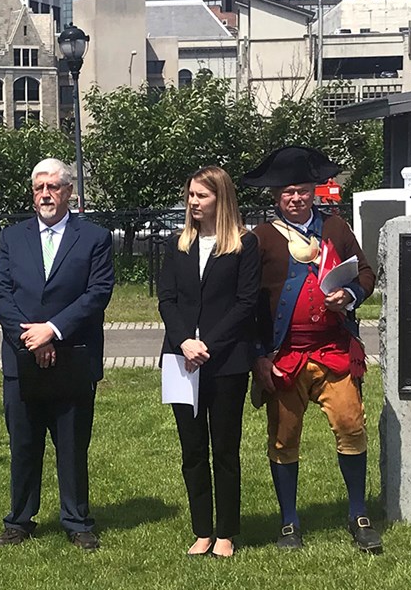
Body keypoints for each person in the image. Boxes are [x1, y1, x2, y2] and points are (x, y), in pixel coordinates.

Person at [243, 146, 382, 554]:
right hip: (284, 357)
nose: (296, 198)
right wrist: (258, 356)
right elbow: (249, 304)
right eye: (287, 192)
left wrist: (351, 294)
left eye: (302, 190)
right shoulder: (261, 238)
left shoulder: (335, 228)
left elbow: (366, 273)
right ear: (275, 196)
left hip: (334, 350)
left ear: (313, 191)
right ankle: (289, 522)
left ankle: (358, 514)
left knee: (351, 427)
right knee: (284, 439)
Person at [0, 158, 115, 551]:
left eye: (54, 187)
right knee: (23, 444)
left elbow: (98, 293)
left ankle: (77, 521)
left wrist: (52, 330)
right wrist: (31, 337)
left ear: (69, 192)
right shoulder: (13, 237)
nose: (46, 194)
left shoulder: (94, 238)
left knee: (72, 444)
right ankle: (19, 520)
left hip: (73, 355)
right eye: (40, 187)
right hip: (21, 355)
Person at [157, 166, 260, 558]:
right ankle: (201, 529)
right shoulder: (178, 244)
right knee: (192, 449)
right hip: (181, 360)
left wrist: (207, 345)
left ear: (221, 199)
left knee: (225, 450)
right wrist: (184, 341)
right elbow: (167, 299)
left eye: (201, 195)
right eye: (191, 195)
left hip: (226, 362)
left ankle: (226, 532)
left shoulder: (243, 245)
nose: (193, 202)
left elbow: (246, 303)